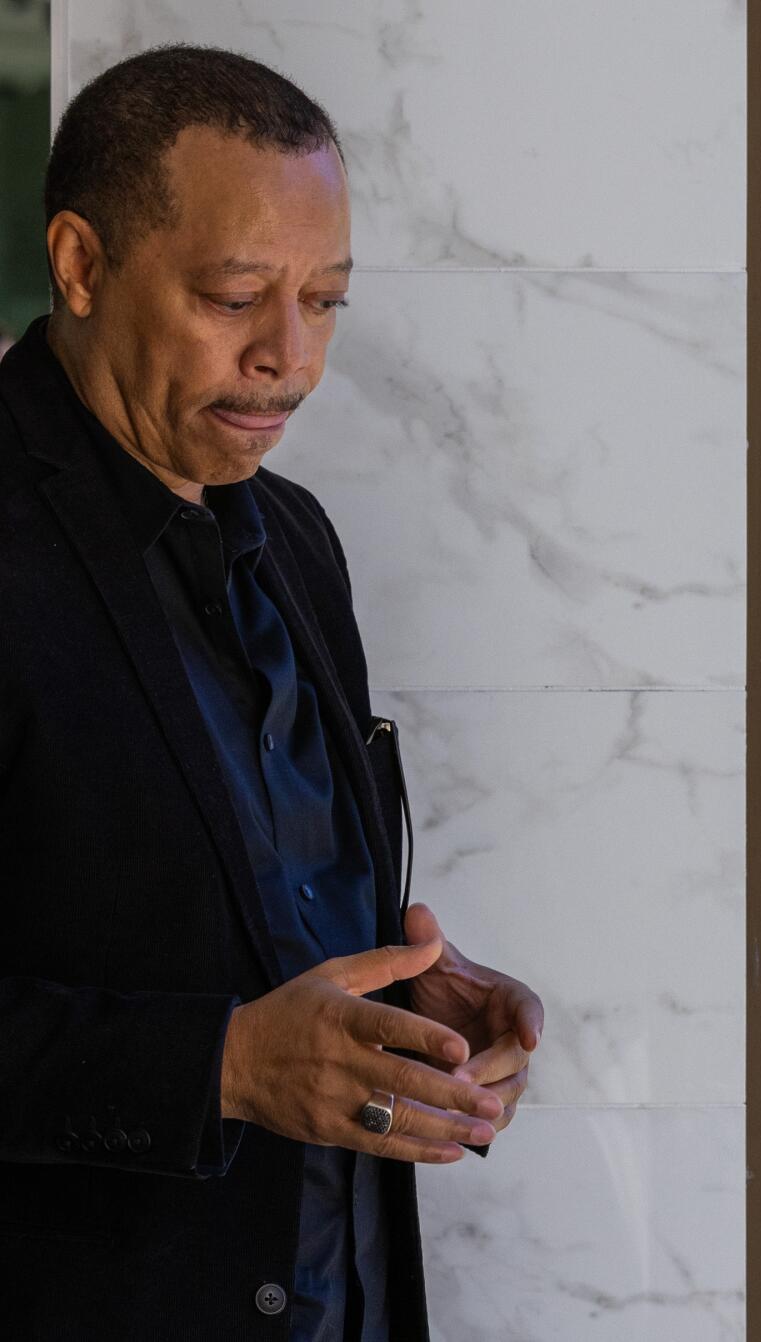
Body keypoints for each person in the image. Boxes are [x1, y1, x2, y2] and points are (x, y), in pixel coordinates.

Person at [0, 46, 543, 1339]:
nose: (290, 360)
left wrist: (410, 1002)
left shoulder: (292, 533)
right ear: (79, 266)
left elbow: (231, 899)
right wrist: (226, 1066)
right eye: (237, 295)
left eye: (327, 300)